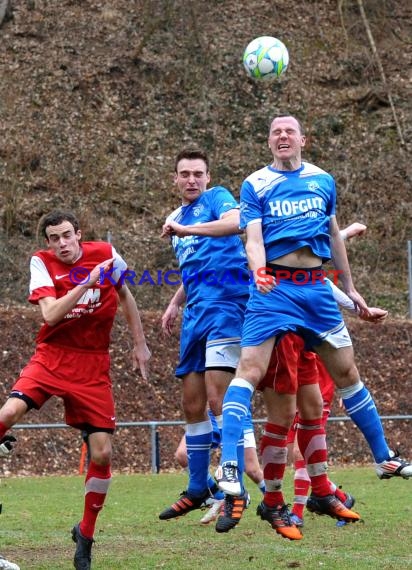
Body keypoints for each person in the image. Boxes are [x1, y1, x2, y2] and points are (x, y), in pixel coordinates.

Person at [216, 115, 412, 524]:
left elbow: (333, 236)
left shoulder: (323, 180)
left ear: (303, 139)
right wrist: (257, 270)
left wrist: (353, 291)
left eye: (289, 131)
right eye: (275, 132)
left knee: (348, 372)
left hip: (316, 290)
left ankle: (383, 458)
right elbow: (252, 238)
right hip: (274, 288)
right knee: (249, 371)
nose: (282, 137)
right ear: (269, 142)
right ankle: (230, 466)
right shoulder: (256, 184)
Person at [0, 210, 151, 570]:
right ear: (48, 242)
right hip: (52, 356)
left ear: (79, 234)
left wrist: (139, 343)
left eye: (67, 235)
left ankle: (84, 533)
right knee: (7, 414)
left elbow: (125, 293)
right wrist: (85, 283)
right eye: (54, 238)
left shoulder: (107, 254)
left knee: (101, 454)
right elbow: (50, 316)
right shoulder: (41, 262)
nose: (62, 244)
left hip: (92, 364)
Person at [158, 149, 251, 531]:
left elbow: (235, 223)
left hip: (227, 304)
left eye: (198, 173)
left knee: (218, 397)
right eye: (185, 174)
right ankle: (198, 487)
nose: (192, 179)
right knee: (192, 404)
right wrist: (174, 302)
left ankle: (236, 491)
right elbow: (194, 266)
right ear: (175, 179)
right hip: (195, 312)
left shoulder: (217, 199)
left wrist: (187, 230)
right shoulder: (176, 218)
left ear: (208, 177)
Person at [173, 408, 264, 524]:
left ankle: (274, 504)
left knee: (252, 470)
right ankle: (216, 495)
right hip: (207, 415)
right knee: (182, 455)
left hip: (234, 413)